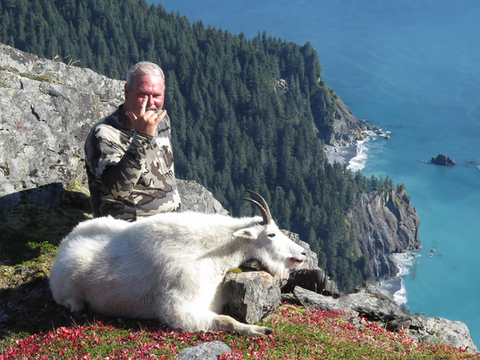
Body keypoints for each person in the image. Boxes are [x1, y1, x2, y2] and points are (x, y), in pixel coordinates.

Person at [85, 61, 181, 221]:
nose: (150, 103)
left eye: (157, 96)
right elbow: (117, 191)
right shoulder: (104, 134)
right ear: (127, 91)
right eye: (142, 94)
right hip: (129, 232)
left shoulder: (161, 120)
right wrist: (142, 137)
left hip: (168, 226)